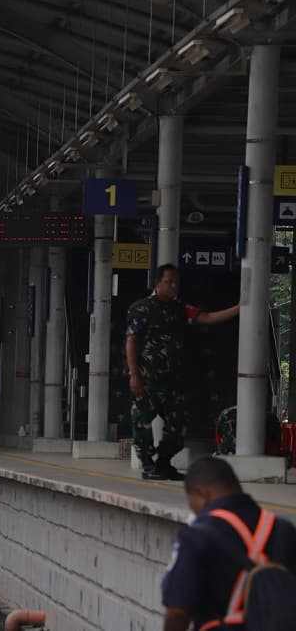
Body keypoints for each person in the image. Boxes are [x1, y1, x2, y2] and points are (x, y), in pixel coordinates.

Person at [127, 264, 239, 481]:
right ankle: (148, 464)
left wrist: (238, 308)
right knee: (141, 421)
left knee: (179, 423)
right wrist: (134, 375)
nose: (174, 286)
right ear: (157, 282)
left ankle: (164, 462)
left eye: (176, 282)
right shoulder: (141, 309)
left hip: (173, 380)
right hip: (148, 379)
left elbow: (206, 318)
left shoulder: (179, 308)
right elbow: (131, 341)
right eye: (169, 282)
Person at [161, 457, 296, 631]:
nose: (194, 511)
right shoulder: (283, 530)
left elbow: (177, 610)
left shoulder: (196, 537)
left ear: (201, 493)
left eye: (192, 504)